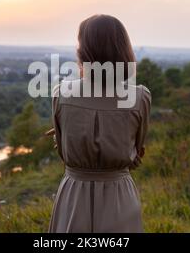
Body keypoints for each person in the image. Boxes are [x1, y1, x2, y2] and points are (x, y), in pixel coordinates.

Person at [48, 14, 151, 233]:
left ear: (83, 52)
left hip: (74, 194)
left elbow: (63, 155)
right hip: (119, 195)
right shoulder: (140, 97)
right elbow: (136, 154)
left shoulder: (62, 94)